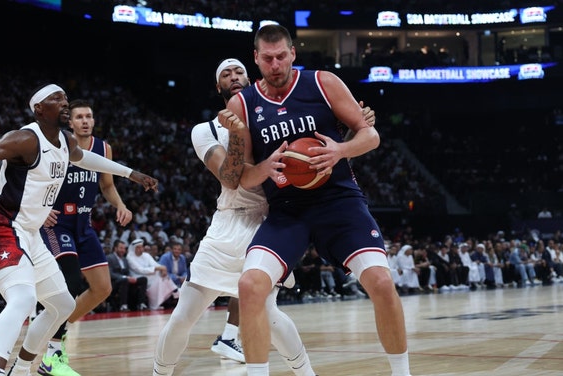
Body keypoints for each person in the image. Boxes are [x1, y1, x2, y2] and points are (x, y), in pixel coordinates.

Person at [0, 83, 158, 376]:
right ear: (39, 109)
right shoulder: (25, 139)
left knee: (62, 304)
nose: (65, 103)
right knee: (23, 298)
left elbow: (85, 159)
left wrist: (130, 173)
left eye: (65, 98)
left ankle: (22, 368)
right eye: (56, 99)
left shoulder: (65, 141)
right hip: (1, 225)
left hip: (29, 232)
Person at [154, 57, 363, 376]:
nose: (233, 76)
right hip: (228, 223)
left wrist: (354, 123)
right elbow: (229, 177)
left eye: (239, 71)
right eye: (225, 73)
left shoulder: (273, 120)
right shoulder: (204, 130)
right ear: (218, 85)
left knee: (269, 313)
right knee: (184, 315)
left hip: (269, 223)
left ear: (250, 80)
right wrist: (237, 135)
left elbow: (314, 140)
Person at [222, 25, 411, 376]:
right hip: (287, 210)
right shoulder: (242, 105)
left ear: (293, 53)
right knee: (249, 286)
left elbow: (370, 134)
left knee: (382, 283)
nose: (275, 64)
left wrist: (341, 150)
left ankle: (402, 373)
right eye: (267, 58)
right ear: (256, 59)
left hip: (338, 202)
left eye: (281, 56)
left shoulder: (323, 82)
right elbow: (242, 178)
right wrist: (265, 165)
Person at [38, 98, 151, 376]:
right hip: (57, 223)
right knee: (72, 281)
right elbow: (37, 180)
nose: (85, 121)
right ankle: (52, 355)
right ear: (70, 121)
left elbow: (107, 185)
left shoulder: (103, 149)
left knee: (102, 288)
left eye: (89, 116)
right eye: (79, 117)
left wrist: (121, 205)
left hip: (84, 224)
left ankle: (52, 328)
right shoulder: (57, 144)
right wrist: (40, 210)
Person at [126, 238, 176, 310]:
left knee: (162, 275)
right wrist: (158, 268)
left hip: (149, 274)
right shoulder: (130, 257)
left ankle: (158, 302)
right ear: (134, 248)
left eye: (141, 247)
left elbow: (154, 264)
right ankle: (173, 291)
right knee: (158, 277)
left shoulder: (146, 255)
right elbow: (140, 270)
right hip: (138, 276)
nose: (140, 249)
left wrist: (163, 269)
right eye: (138, 247)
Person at [107, 239, 148, 311]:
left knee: (143, 279)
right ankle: (123, 305)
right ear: (115, 248)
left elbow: (127, 272)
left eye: (124, 248)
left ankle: (141, 304)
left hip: (126, 281)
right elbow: (110, 273)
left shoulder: (124, 259)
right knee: (125, 280)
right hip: (115, 282)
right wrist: (124, 277)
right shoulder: (109, 258)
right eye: (121, 248)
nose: (123, 250)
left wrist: (132, 278)